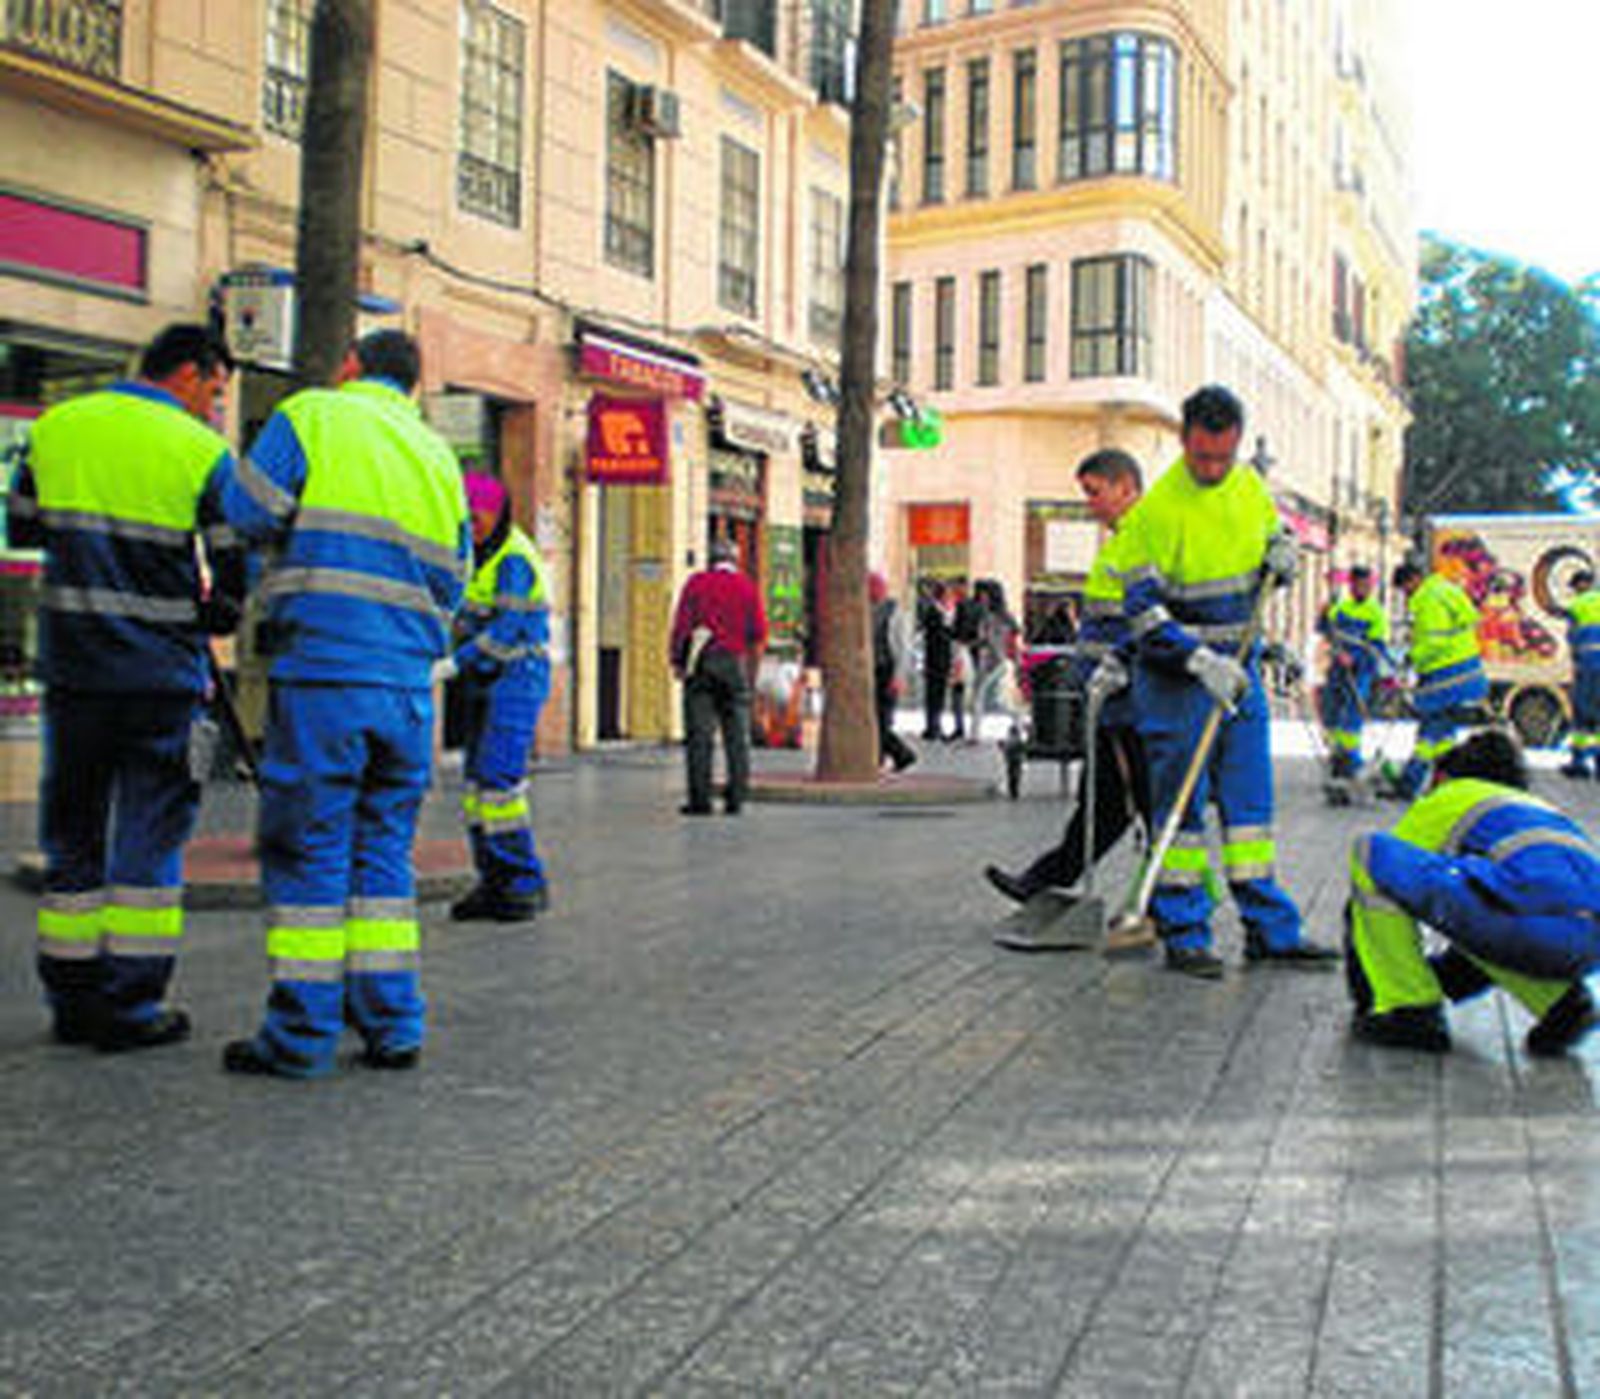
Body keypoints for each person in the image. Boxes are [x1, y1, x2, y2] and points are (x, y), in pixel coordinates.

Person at [214, 330, 470, 1078]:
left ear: (350, 363)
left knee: (310, 850)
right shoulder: (438, 456)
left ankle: (299, 1035)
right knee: (383, 853)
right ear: (415, 387)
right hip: (407, 691)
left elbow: (246, 510)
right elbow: (455, 578)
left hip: (327, 672)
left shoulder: (312, 415)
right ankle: (392, 1021)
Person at [5, 323, 245, 1050]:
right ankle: (132, 1004)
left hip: (75, 671)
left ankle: (72, 997)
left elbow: (22, 527)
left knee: (73, 831)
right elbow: (233, 570)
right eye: (215, 390)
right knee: (149, 833)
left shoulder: (56, 428)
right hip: (162, 676)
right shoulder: (202, 452)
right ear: (192, 372)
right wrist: (211, 610)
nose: (214, 406)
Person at [1118, 384, 1337, 978]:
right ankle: (1184, 930)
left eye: (1223, 456)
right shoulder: (1156, 513)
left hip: (1238, 676)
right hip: (1177, 681)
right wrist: (1196, 661)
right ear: (1183, 440)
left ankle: (1270, 929)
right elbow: (1140, 612)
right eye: (1202, 457)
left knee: (1249, 813)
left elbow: (1267, 542)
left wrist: (1282, 553)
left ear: (1237, 444)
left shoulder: (1247, 486)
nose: (1213, 468)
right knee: (1180, 814)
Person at [1346, 729, 1600, 1055]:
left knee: (1368, 852)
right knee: (1486, 898)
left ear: (1446, 776)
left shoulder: (1453, 794)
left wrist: (1369, 989)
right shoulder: (1537, 807)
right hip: (1589, 940)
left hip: (1526, 920)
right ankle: (1562, 1004)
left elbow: (1383, 879)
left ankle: (1411, 1010)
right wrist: (1449, 974)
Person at [985, 448, 1150, 903]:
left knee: (1150, 810)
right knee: (1103, 806)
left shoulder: (1147, 539)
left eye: (1095, 492)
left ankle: (1174, 907)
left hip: (1137, 703)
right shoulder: (1119, 541)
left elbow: (1153, 618)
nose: (1090, 504)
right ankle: (1044, 881)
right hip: (1110, 701)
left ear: (1126, 487)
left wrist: (1125, 662)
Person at [440, 471, 554, 922]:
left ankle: (524, 881)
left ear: (499, 512)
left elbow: (506, 632)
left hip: (516, 677)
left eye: (481, 513)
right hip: (486, 679)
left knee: (498, 782)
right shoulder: (472, 556)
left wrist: (456, 662)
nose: (474, 522)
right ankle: (493, 878)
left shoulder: (513, 558)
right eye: (466, 514)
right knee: (475, 788)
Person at [669, 536, 768, 815]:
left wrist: (677, 661)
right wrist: (750, 672)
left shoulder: (696, 584)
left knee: (700, 736)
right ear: (735, 561)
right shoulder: (747, 587)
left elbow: (682, 626)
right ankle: (736, 797)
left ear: (710, 559)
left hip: (701, 664)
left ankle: (700, 800)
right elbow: (759, 633)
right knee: (736, 734)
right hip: (734, 664)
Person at [1387, 557, 1487, 798]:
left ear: (1413, 580)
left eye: (1405, 589)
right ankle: (1445, 783)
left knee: (1430, 732)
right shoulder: (1444, 590)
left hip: (1446, 674)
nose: (1406, 595)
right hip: (1466, 671)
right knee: (1444, 733)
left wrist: (1411, 658)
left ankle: (1410, 783)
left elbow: (1434, 642)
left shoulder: (1428, 600)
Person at [1318, 563, 1390, 777]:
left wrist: (1355, 658)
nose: (1363, 589)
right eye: (1358, 585)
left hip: (1361, 671)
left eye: (1366, 585)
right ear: (1351, 585)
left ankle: (1350, 760)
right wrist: (1323, 615)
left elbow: (1377, 647)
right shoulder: (1341, 607)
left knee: (1352, 715)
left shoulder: (1376, 613)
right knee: (1331, 711)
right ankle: (1336, 755)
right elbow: (1326, 630)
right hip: (1337, 668)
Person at [871, 571, 917, 773]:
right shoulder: (866, 608)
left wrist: (898, 677)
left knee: (882, 718)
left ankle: (901, 754)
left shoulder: (895, 611)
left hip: (887, 669)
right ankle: (883, 758)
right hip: (871, 670)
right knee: (876, 717)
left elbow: (903, 647)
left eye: (872, 586)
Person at [1560, 567, 1600, 778]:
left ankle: (1579, 763)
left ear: (1580, 585)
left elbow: (1572, 637)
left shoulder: (1577, 606)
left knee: (1583, 716)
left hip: (1589, 667)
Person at [968, 579, 1020, 739]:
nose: (981, 597)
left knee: (980, 695)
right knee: (993, 699)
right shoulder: (1001, 616)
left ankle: (974, 734)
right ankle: (1017, 719)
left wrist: (977, 643)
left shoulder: (992, 617)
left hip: (994, 660)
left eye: (984, 594)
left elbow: (991, 640)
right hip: (994, 659)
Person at [917, 578, 954, 740]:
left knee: (938, 695)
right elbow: (936, 635)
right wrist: (949, 630)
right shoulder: (934, 612)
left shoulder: (942, 612)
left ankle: (935, 725)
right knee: (933, 694)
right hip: (935, 659)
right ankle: (932, 727)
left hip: (941, 658)